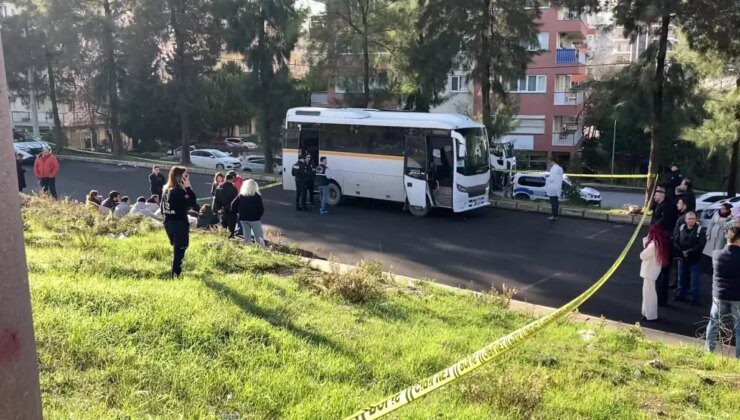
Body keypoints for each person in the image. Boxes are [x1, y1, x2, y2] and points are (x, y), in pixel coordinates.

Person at [705, 226, 740, 359]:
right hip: (737, 297)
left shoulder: (716, 254)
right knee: (739, 327)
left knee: (713, 323)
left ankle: (709, 352)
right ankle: (738, 358)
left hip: (719, 295)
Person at [161, 166, 197, 277]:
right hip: (179, 224)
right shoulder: (179, 191)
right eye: (186, 176)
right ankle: (176, 275)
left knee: (177, 249)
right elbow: (193, 203)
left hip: (168, 222)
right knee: (180, 250)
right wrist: (188, 188)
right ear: (178, 178)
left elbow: (163, 209)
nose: (188, 178)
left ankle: (175, 273)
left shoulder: (166, 189)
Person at [650, 186, 678, 306]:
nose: (655, 194)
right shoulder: (659, 205)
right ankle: (658, 296)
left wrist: (654, 229)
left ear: (664, 194)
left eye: (658, 192)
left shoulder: (667, 207)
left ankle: (661, 299)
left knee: (663, 271)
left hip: (664, 241)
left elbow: (664, 222)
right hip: (659, 238)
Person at [673, 211, 707, 305]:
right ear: (685, 219)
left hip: (694, 258)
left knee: (694, 279)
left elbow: (701, 244)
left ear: (696, 219)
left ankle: (694, 298)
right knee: (681, 277)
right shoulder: (681, 228)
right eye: (689, 219)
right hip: (682, 257)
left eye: (693, 219)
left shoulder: (700, 230)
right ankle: (680, 295)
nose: (691, 221)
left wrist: (689, 252)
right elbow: (676, 240)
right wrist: (681, 252)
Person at [640, 224, 670, 322]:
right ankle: (646, 313)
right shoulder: (658, 244)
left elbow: (642, 256)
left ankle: (650, 315)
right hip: (652, 272)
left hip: (649, 272)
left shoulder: (653, 245)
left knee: (649, 294)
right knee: (648, 293)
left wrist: (645, 243)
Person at [231, 179, 265, 245]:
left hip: (243, 218)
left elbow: (233, 205)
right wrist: (258, 216)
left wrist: (238, 213)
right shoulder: (257, 196)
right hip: (255, 219)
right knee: (259, 237)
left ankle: (247, 249)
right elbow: (261, 209)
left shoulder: (241, 195)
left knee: (247, 237)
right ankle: (260, 251)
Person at [703, 203, 732, 272]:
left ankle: (717, 267)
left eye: (723, 209)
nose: (721, 210)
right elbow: (711, 224)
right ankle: (711, 266)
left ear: (727, 210)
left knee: (718, 252)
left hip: (721, 235)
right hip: (713, 234)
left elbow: (729, 229)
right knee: (711, 251)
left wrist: (727, 240)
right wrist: (708, 233)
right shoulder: (716, 213)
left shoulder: (730, 217)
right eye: (721, 208)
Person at [213, 171, 239, 237]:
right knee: (231, 229)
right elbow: (235, 201)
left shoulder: (219, 187)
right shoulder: (234, 189)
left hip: (222, 210)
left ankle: (223, 240)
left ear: (225, 179)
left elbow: (216, 199)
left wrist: (218, 208)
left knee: (223, 227)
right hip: (231, 211)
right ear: (232, 179)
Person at [545, 157, 563, 221]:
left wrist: (546, 177)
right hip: (557, 188)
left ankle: (553, 216)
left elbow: (551, 179)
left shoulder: (553, 168)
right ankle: (556, 216)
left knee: (553, 203)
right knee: (556, 202)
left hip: (552, 188)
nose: (550, 162)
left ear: (553, 161)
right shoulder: (560, 168)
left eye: (550, 161)